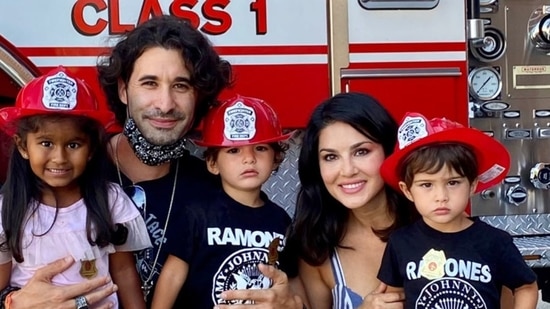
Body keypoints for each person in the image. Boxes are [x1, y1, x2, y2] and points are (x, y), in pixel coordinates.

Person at [0, 15, 306, 309]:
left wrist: (291, 303)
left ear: (198, 97)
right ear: (123, 89)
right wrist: (11, 301)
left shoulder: (219, 187)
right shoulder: (63, 172)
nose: (165, 103)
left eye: (181, 85)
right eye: (149, 83)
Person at [0, 66, 152, 308]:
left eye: (73, 145)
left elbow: (124, 272)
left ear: (91, 149)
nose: (59, 157)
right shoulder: (7, 210)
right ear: (22, 146)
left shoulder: (110, 200)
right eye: (46, 143)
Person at [377, 112, 538, 308]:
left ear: (472, 185)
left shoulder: (496, 242)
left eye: (453, 182)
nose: (441, 196)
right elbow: (394, 298)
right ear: (407, 190)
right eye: (426, 184)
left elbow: (526, 286)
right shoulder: (400, 242)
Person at [151, 95, 293, 308]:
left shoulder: (280, 220)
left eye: (260, 148)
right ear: (212, 163)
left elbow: (288, 281)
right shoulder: (196, 213)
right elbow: (172, 275)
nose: (249, 158)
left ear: (276, 159)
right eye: (234, 150)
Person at [281, 92, 419, 309]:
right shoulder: (316, 246)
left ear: (389, 151)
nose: (347, 170)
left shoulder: (439, 219)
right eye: (331, 157)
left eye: (361, 151)